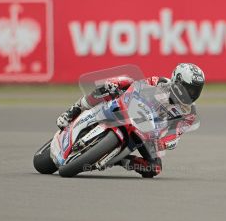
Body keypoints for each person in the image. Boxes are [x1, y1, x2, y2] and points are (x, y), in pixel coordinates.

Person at [56, 63, 205, 178]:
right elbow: (137, 87)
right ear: (176, 81)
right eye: (188, 89)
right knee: (123, 81)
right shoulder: (160, 82)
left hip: (148, 133)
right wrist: (121, 90)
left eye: (195, 91)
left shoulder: (189, 113)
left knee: (154, 168)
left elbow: (175, 133)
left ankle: (120, 160)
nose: (191, 94)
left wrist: (165, 142)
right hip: (131, 108)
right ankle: (74, 109)